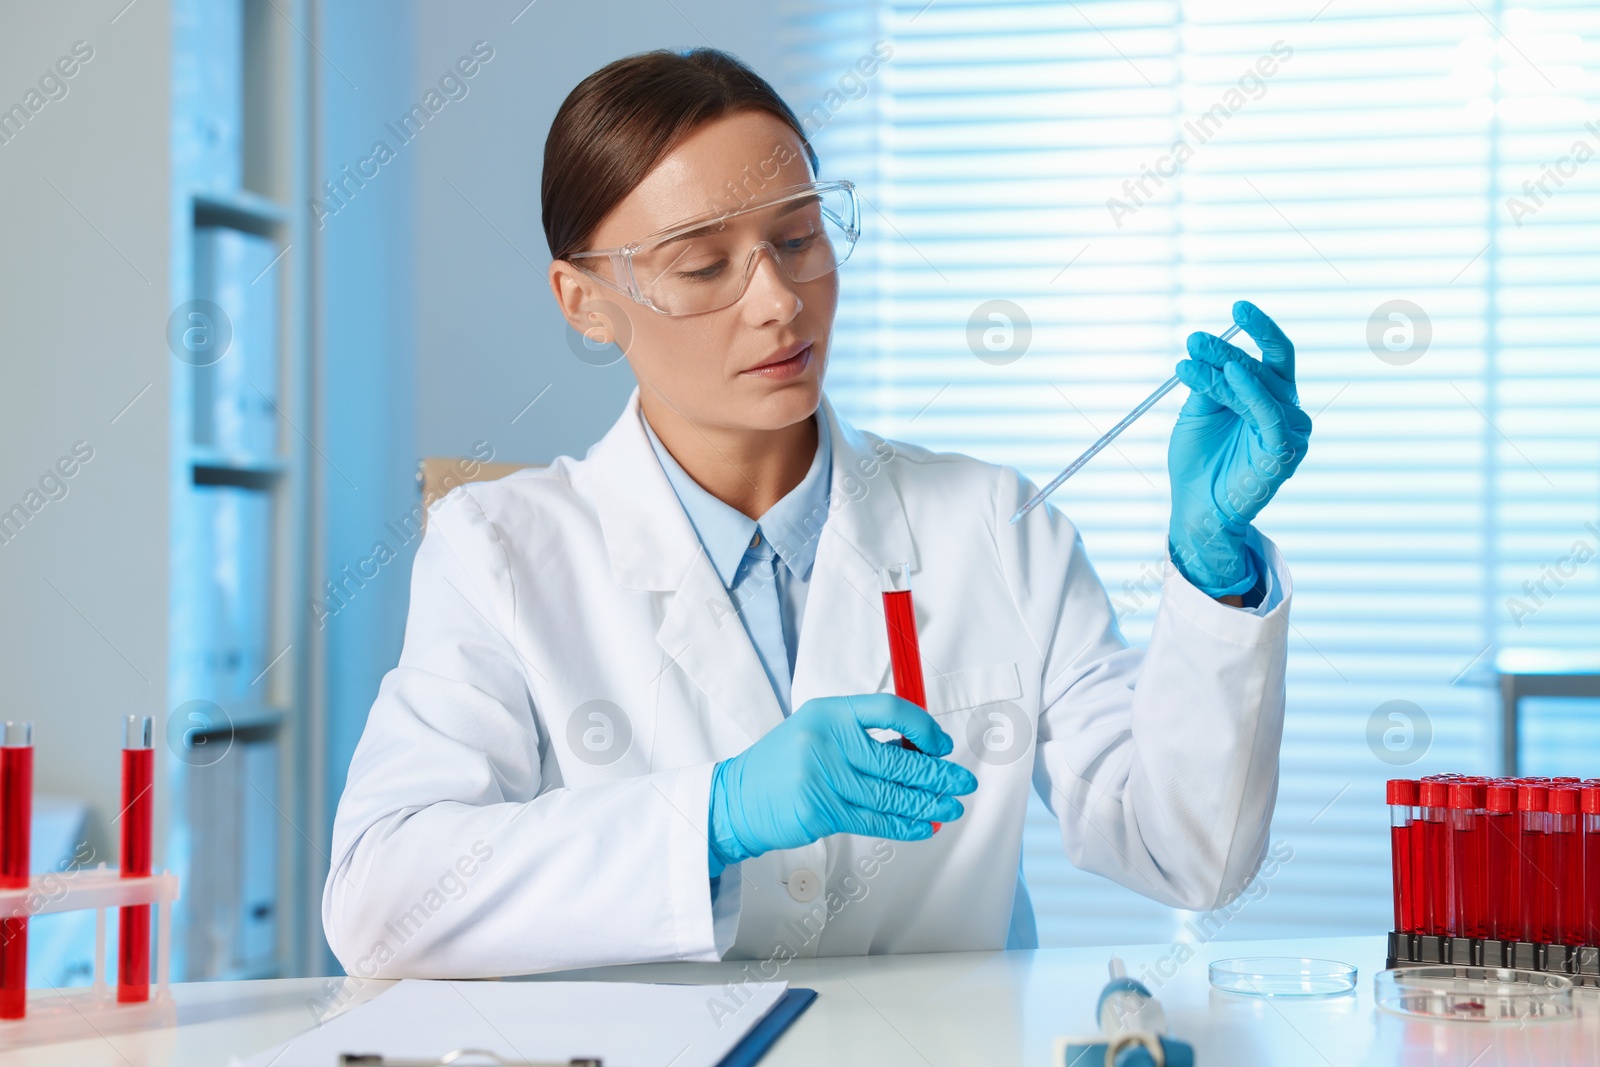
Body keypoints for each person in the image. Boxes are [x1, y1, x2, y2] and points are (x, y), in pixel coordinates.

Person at [322, 47, 1311, 980]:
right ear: (582, 301)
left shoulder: (996, 525)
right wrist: (715, 811)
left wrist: (1210, 567)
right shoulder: (500, 550)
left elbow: (1189, 854)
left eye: (797, 238)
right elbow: (381, 898)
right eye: (702, 264)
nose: (779, 302)